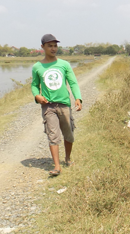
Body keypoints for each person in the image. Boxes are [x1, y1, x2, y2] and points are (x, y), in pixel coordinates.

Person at [31, 34, 82, 176]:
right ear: (42, 47)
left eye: (55, 45)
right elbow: (34, 85)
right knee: (53, 135)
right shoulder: (37, 67)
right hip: (49, 106)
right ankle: (57, 166)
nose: (53, 48)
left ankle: (67, 158)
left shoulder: (64, 64)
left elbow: (73, 82)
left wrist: (78, 98)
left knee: (69, 134)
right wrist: (37, 96)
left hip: (64, 105)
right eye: (50, 46)